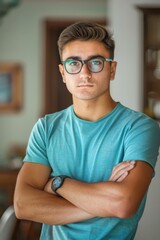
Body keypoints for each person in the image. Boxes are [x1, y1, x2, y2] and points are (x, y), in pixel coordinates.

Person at [14, 21, 160, 240]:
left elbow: (123, 204)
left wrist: (57, 183)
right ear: (63, 73)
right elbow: (23, 205)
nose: (84, 73)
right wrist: (101, 203)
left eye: (96, 62)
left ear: (112, 69)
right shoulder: (46, 128)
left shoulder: (140, 127)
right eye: (74, 63)